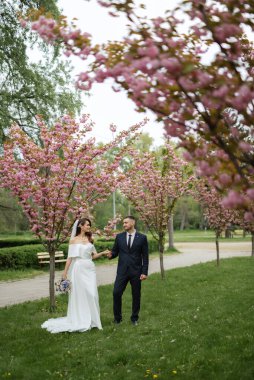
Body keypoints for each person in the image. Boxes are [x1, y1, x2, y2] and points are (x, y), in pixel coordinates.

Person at [41, 218, 109, 333]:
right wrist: (65, 272)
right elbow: (70, 258)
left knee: (92, 294)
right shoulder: (73, 240)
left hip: (90, 268)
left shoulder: (90, 239)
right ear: (80, 226)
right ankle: (81, 318)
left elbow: (93, 255)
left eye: (89, 225)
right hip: (78, 269)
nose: (89, 227)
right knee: (80, 294)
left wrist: (102, 253)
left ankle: (94, 320)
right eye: (87, 225)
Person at [107, 216, 149, 325]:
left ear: (132, 223)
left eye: (126, 222)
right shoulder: (119, 237)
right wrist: (110, 255)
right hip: (122, 271)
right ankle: (117, 319)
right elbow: (115, 251)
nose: (124, 224)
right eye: (123, 223)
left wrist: (144, 272)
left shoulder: (142, 238)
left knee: (136, 295)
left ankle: (134, 318)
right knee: (116, 293)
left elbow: (145, 256)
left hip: (136, 271)